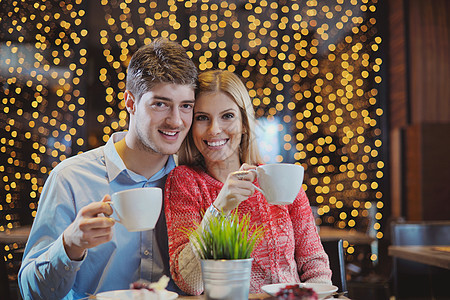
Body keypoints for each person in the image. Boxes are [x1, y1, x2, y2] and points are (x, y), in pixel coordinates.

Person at [18, 37, 198, 299]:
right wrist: (69, 245)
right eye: (160, 104)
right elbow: (31, 293)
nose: (176, 120)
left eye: (186, 107)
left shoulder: (194, 183)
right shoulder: (70, 178)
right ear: (130, 102)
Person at [164, 70, 332, 295]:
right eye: (202, 118)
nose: (214, 129)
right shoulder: (184, 181)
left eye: (227, 116)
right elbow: (191, 284)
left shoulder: (280, 179)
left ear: (244, 123)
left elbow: (315, 264)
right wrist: (219, 209)